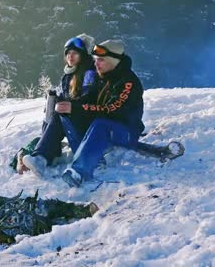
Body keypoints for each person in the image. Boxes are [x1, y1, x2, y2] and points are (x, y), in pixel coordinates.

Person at [58, 40, 145, 187]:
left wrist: (78, 108)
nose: (96, 64)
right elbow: (87, 102)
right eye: (96, 60)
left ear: (114, 61)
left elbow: (113, 109)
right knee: (66, 114)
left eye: (101, 60)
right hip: (104, 128)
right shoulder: (101, 76)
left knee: (100, 124)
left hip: (126, 131)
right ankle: (54, 154)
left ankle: (79, 171)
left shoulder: (127, 82)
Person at [20, 34, 99, 175]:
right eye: (68, 53)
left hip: (88, 123)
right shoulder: (68, 75)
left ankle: (41, 158)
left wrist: (69, 106)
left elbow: (88, 98)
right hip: (74, 120)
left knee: (59, 114)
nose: (70, 56)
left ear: (83, 55)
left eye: (75, 53)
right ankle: (45, 156)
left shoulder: (89, 73)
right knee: (55, 110)